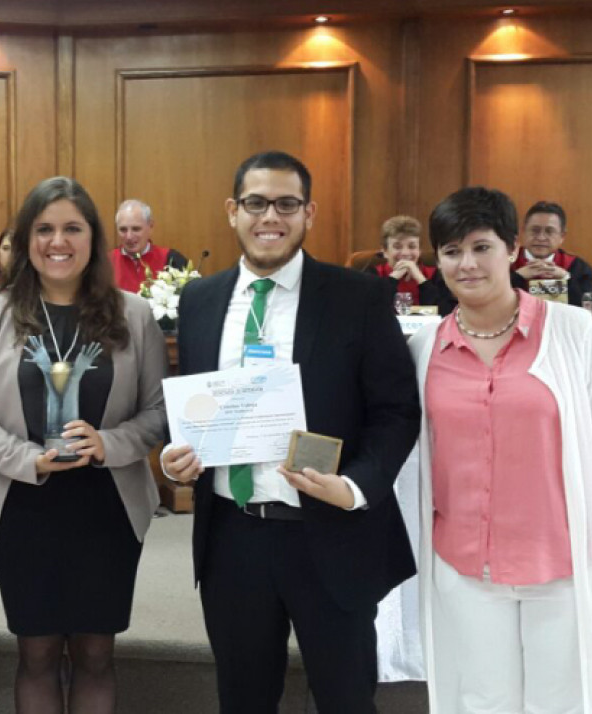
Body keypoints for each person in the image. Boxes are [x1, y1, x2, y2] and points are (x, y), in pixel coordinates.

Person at [408, 186, 592, 713]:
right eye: (450, 252)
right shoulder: (425, 349)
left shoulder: (574, 333)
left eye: (481, 247)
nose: (466, 264)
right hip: (468, 568)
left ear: (512, 249)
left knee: (566, 703)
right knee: (482, 701)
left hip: (566, 563)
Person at [161, 150, 419, 712]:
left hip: (330, 531)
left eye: (286, 204)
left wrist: (354, 487)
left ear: (309, 213)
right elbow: (190, 409)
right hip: (232, 536)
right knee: (244, 699)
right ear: (233, 211)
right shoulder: (201, 300)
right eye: (255, 203)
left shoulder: (357, 297)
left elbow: (397, 411)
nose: (269, 217)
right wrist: (173, 456)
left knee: (346, 699)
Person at [0, 177, 167, 713]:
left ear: (94, 239)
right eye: (43, 229)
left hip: (108, 504)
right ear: (26, 240)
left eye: (73, 228)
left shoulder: (134, 315)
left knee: (96, 654)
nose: (57, 241)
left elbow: (159, 415)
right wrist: (26, 458)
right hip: (23, 504)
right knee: (37, 654)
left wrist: (107, 442)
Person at [512, 200, 592, 306]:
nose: (541, 237)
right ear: (524, 231)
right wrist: (516, 277)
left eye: (549, 231)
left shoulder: (577, 267)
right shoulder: (506, 263)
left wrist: (566, 279)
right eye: (535, 230)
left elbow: (591, 309)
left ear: (562, 236)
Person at [109, 199, 188, 293]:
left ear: (150, 227)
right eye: (123, 230)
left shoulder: (172, 260)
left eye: (136, 229)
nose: (129, 236)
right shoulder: (105, 262)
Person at [361, 214, 438, 307]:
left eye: (412, 246)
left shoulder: (434, 274)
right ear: (385, 251)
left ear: (419, 250)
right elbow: (370, 307)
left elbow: (444, 312)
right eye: (397, 247)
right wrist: (393, 278)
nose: (405, 253)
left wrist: (420, 279)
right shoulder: (372, 274)